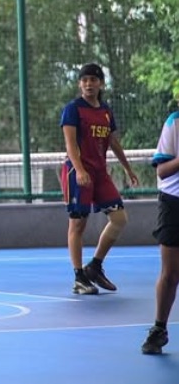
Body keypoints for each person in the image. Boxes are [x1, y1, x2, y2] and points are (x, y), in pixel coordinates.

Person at [60, 63, 139, 295]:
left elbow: (113, 142)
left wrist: (127, 168)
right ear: (79, 84)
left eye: (93, 80)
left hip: (100, 172)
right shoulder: (73, 109)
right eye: (84, 80)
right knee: (78, 223)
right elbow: (70, 144)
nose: (88, 84)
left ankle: (95, 266)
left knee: (119, 218)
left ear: (101, 84)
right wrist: (80, 169)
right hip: (78, 172)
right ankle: (78, 277)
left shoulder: (105, 111)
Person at [144, 108, 179, 354]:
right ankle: (159, 329)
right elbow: (162, 170)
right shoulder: (174, 123)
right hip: (173, 201)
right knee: (170, 273)